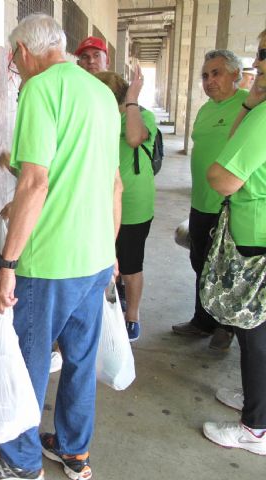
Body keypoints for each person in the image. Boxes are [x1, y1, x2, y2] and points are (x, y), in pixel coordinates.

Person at [0, 15, 121, 480]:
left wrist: (8, 263)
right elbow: (113, 184)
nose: (15, 68)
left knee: (29, 360)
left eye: (13, 58)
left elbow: (35, 183)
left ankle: (20, 460)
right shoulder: (100, 92)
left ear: (24, 51)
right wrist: (110, 253)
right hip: (95, 257)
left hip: (49, 261)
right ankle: (74, 453)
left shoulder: (40, 89)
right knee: (78, 360)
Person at [202, 30, 266, 455]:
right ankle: (258, 405)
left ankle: (255, 428)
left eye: (263, 54)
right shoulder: (257, 110)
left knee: (255, 331)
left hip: (256, 236)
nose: (258, 62)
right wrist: (251, 98)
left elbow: (224, 176)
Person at [172, 50, 248, 350]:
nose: (209, 80)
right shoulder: (205, 110)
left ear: (235, 74)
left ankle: (225, 327)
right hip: (201, 202)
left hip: (228, 206)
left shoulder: (246, 108)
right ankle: (202, 320)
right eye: (205, 75)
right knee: (200, 262)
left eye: (216, 73)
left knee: (223, 268)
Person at [94, 68, 158, 342]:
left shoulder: (143, 117)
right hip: (101, 204)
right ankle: (104, 311)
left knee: (131, 265)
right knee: (102, 262)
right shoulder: (97, 119)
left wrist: (131, 99)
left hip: (133, 205)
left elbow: (133, 138)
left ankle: (132, 317)